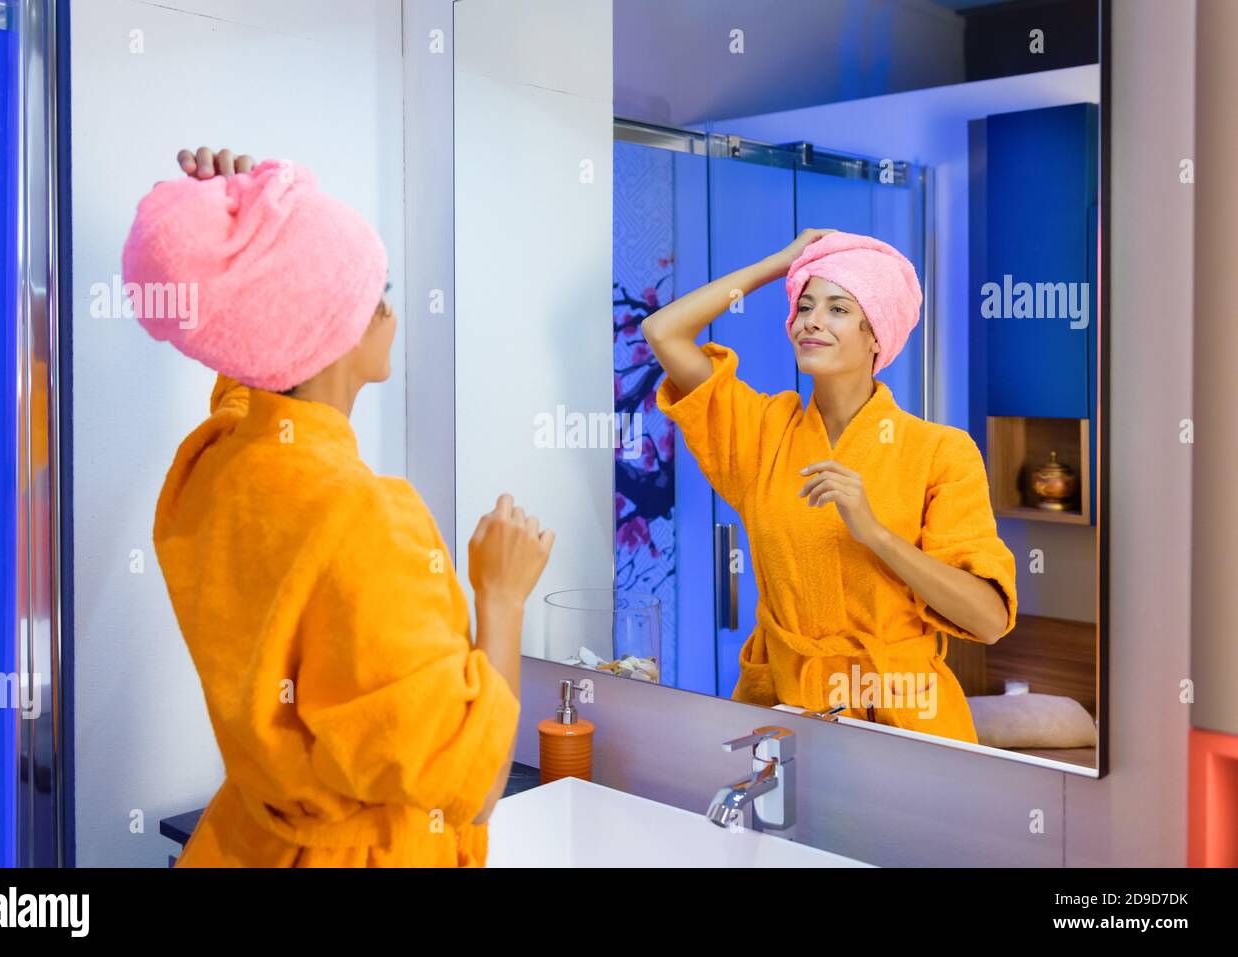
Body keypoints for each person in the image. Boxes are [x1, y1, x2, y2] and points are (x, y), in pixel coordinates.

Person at [124, 147, 553, 866]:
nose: (389, 312)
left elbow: (255, 346)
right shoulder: (362, 517)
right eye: (377, 294)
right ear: (334, 331)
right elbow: (472, 788)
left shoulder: (219, 460)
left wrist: (239, 232)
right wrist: (501, 595)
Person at [642, 227, 1017, 744]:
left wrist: (878, 535)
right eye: (804, 306)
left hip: (905, 722)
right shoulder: (763, 433)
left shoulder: (940, 452)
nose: (811, 321)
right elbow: (664, 331)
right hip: (783, 712)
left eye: (838, 308)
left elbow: (990, 619)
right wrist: (780, 262)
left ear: (876, 335)